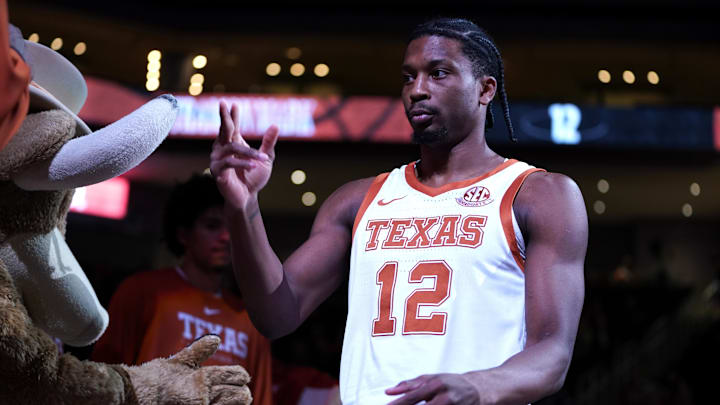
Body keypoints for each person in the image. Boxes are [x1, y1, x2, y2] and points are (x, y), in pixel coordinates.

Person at [210, 17, 587, 405]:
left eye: (438, 73)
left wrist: (479, 386)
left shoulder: (538, 194)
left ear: (485, 89)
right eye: (408, 77)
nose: (417, 90)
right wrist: (243, 206)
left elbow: (553, 356)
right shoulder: (357, 200)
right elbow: (275, 314)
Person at [91, 174, 273, 405]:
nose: (226, 237)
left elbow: (261, 397)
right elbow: (106, 377)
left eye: (233, 227)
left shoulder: (251, 318)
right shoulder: (143, 291)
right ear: (184, 234)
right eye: (212, 225)